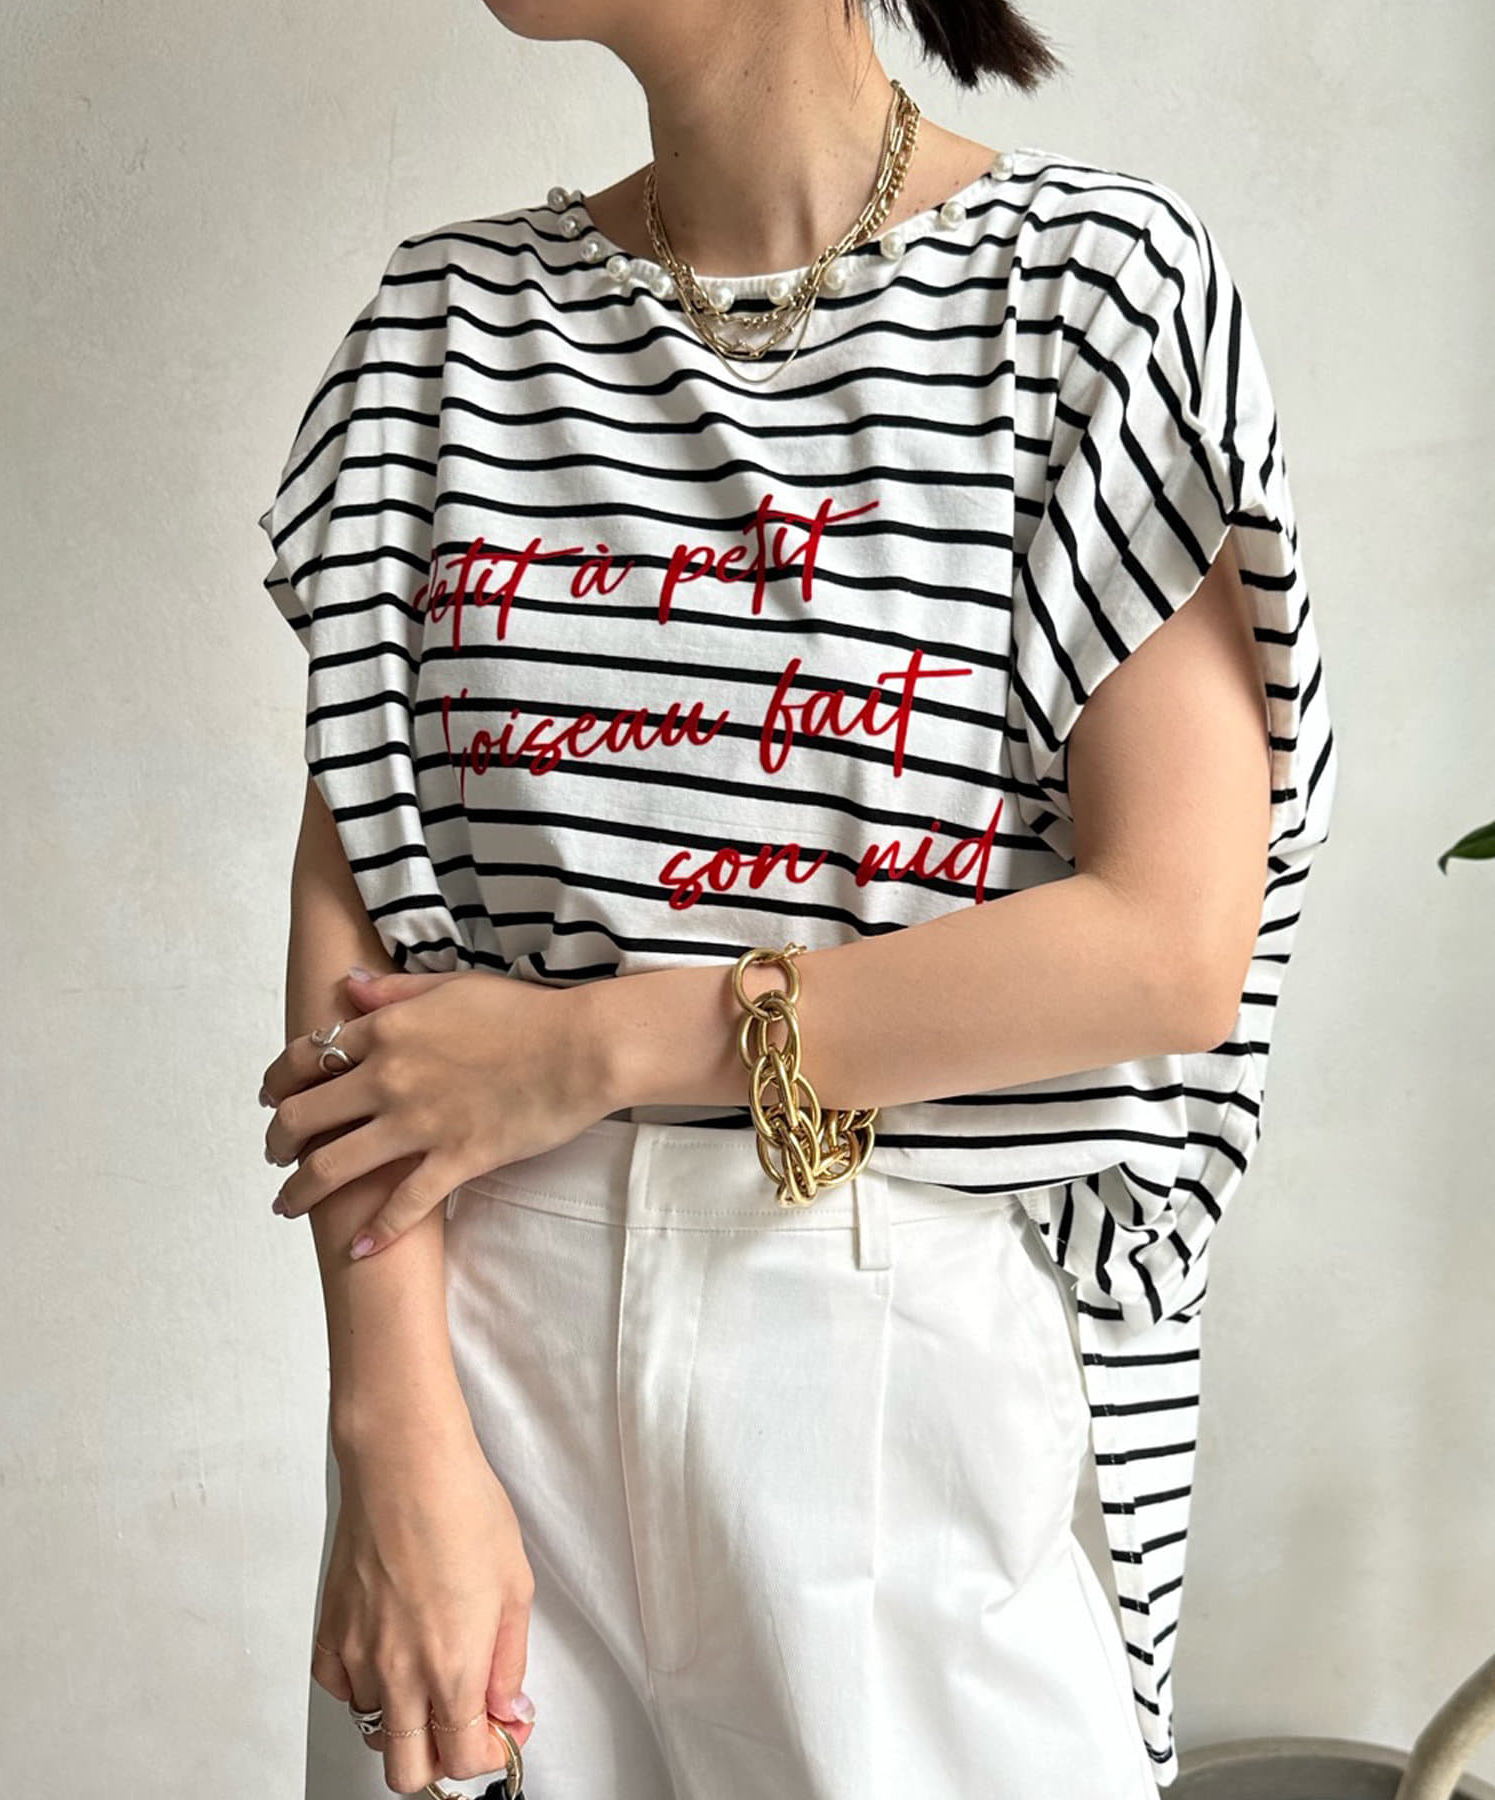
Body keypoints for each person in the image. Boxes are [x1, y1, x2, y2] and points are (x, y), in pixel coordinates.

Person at [256, 2, 1338, 1795]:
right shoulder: (446, 328)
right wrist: (391, 1434)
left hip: (895, 1335)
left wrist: (594, 1048)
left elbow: (1168, 943)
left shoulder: (1088, 295)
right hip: (473, 1343)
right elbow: (359, 908)